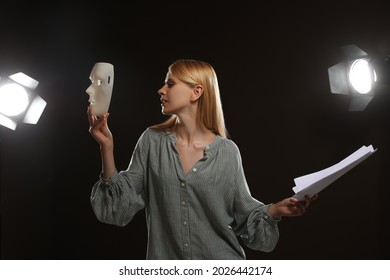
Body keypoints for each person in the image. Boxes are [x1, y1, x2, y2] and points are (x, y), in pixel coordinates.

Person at [87, 59, 317, 260]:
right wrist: (106, 147)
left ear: (196, 92)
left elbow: (245, 215)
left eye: (170, 83)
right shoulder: (151, 141)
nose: (160, 90)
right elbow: (115, 210)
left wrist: (275, 210)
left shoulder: (227, 151)